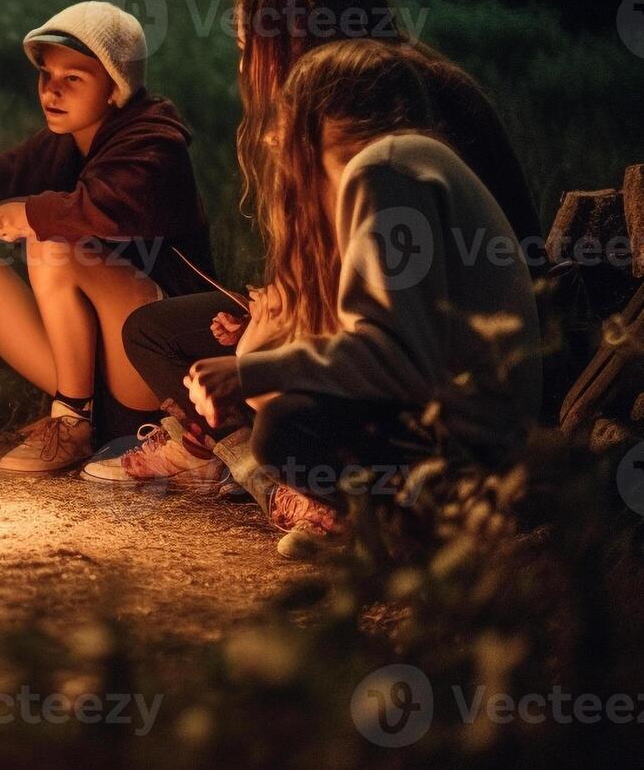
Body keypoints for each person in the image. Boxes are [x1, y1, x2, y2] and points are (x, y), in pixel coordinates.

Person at [92, 0, 541, 490]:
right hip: (393, 333)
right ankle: (233, 453)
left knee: (284, 416)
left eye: (248, 50)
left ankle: (265, 476)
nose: (244, 71)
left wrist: (270, 351)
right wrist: (280, 313)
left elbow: (403, 321)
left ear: (297, 41)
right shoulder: (361, 116)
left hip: (452, 365)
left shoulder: (392, 132)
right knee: (155, 330)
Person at [183, 39, 541, 558]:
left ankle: (421, 534)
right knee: (291, 406)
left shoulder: (384, 170)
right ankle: (389, 528)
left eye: (286, 114)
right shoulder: (408, 160)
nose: (270, 136)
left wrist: (248, 372)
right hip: (486, 426)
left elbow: (398, 357)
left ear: (317, 114)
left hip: (477, 445)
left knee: (287, 427)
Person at [0, 2, 212, 474]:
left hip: (156, 375)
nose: (51, 90)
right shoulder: (68, 138)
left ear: (116, 87)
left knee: (51, 241)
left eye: (74, 78)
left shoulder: (153, 147)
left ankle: (71, 423)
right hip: (95, 376)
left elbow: (60, 216)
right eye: (46, 74)